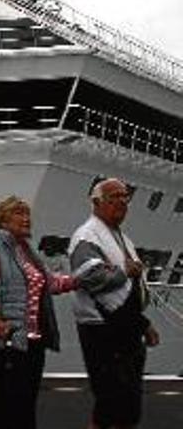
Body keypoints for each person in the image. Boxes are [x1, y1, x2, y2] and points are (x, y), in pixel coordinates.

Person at [0, 196, 78, 429]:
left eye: (27, 213)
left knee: (25, 405)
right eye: (19, 213)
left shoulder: (28, 252)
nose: (26, 218)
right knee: (8, 405)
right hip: (5, 342)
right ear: (3, 220)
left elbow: (52, 284)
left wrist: (83, 279)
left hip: (31, 343)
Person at [69, 178, 160, 429]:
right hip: (103, 330)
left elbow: (126, 292)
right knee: (112, 403)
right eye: (114, 197)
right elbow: (88, 277)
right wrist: (124, 272)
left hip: (124, 328)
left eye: (125, 197)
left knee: (125, 405)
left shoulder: (119, 236)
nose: (122, 201)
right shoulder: (87, 236)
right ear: (96, 202)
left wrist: (143, 324)